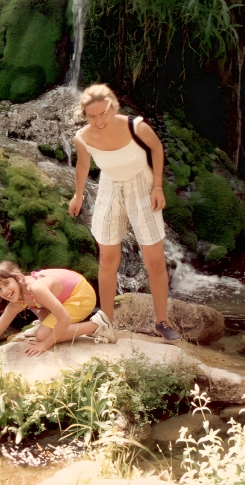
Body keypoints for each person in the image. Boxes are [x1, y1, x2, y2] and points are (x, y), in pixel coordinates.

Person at [68, 84, 181, 341]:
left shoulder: (136, 127)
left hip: (141, 184)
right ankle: (106, 322)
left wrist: (158, 187)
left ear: (113, 106)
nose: (99, 121)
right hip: (109, 186)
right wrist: (78, 195)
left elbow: (156, 149)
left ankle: (161, 322)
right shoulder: (82, 138)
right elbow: (83, 164)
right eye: (91, 116)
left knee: (154, 259)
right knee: (107, 259)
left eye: (103, 113)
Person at [0, 260, 117, 356]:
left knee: (42, 335)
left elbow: (64, 319)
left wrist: (44, 344)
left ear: (18, 277)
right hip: (65, 297)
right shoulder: (18, 298)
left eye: (6, 283)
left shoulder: (36, 287)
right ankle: (47, 324)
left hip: (81, 296)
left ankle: (97, 325)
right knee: (37, 311)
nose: (4, 291)